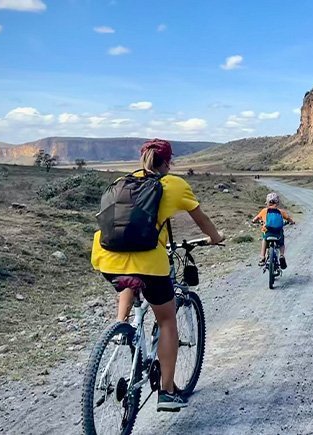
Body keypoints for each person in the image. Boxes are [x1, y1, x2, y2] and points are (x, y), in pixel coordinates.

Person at [91, 139, 224, 411]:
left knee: (129, 277)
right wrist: (215, 237)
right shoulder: (173, 185)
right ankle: (166, 391)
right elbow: (201, 218)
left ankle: (121, 328)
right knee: (167, 321)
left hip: (107, 260)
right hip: (150, 264)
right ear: (167, 162)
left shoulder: (121, 182)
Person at [252, 192, 295, 268]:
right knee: (281, 243)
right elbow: (288, 218)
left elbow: (255, 219)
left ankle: (262, 257)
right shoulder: (281, 212)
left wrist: (254, 221)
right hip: (278, 232)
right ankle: (281, 255)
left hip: (267, 231)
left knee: (264, 240)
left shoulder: (264, 211)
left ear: (267, 202)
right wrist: (292, 222)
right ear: (277, 202)